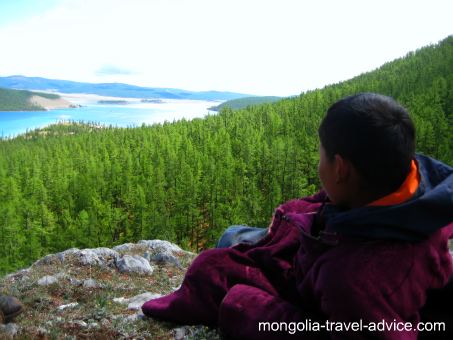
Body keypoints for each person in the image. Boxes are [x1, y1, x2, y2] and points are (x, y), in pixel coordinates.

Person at [142, 93, 453, 339]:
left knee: (216, 260)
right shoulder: (414, 195)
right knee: (234, 235)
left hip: (315, 281)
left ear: (341, 169)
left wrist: (244, 308)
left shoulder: (353, 282)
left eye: (321, 155)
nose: (318, 164)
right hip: (322, 256)